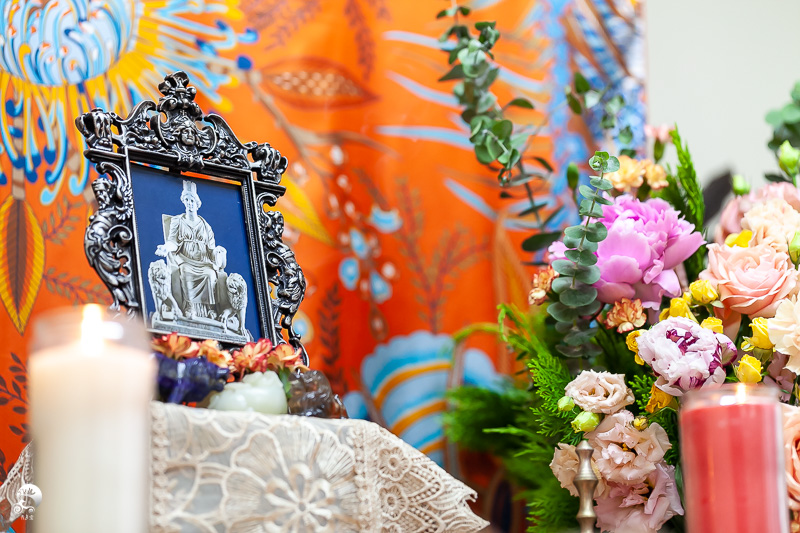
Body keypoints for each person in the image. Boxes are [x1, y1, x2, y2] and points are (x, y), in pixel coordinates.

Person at [156, 180, 222, 319]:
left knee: (210, 275)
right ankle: (190, 306)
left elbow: (211, 249)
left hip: (203, 261)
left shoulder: (206, 226)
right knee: (186, 272)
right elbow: (172, 242)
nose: (189, 203)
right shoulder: (177, 220)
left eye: (192, 200)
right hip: (185, 260)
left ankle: (210, 309)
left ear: (197, 203)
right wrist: (166, 248)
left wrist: (218, 253)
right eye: (186, 200)